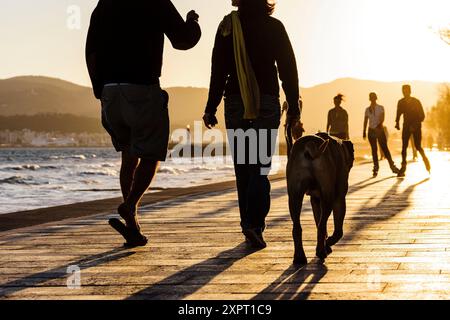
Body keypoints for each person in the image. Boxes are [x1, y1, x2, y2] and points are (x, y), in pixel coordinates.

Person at [86, 0, 201, 246]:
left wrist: (99, 90)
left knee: (128, 156)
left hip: (110, 93)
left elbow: (91, 51)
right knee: (151, 154)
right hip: (142, 88)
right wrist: (193, 22)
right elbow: (182, 40)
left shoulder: (104, 5)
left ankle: (133, 227)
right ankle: (130, 205)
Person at [202, 0, 301, 249]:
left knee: (244, 167)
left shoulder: (227, 27)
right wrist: (294, 106)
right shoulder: (274, 26)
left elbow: (218, 70)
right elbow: (288, 69)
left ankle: (248, 223)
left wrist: (211, 106)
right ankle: (254, 225)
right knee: (259, 166)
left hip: (235, 102)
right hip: (266, 102)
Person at [395, 85, 431, 177]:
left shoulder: (416, 102)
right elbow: (398, 113)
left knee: (418, 146)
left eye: (406, 91)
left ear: (410, 91)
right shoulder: (401, 102)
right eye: (403, 91)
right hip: (406, 126)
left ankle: (425, 160)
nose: (404, 92)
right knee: (404, 147)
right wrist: (397, 123)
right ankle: (403, 167)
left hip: (416, 126)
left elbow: (422, 116)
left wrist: (414, 125)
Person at [363, 92, 400, 177]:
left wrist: (378, 126)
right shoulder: (367, 109)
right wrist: (364, 131)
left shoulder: (381, 108)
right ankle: (376, 167)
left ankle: (392, 166)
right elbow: (365, 121)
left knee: (385, 149)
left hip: (379, 130)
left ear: (376, 98)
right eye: (371, 97)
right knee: (374, 150)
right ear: (370, 99)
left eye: (373, 97)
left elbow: (382, 118)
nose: (372, 99)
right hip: (371, 131)